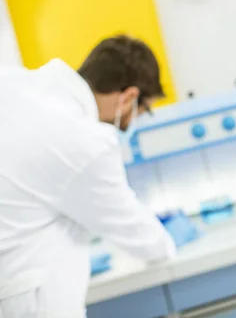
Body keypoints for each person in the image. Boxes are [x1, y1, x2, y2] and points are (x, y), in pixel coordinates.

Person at [0, 35, 178, 317]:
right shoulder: (86, 141)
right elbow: (134, 229)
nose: (133, 122)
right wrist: (168, 241)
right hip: (31, 302)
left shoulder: (13, 85)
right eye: (141, 112)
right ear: (129, 97)